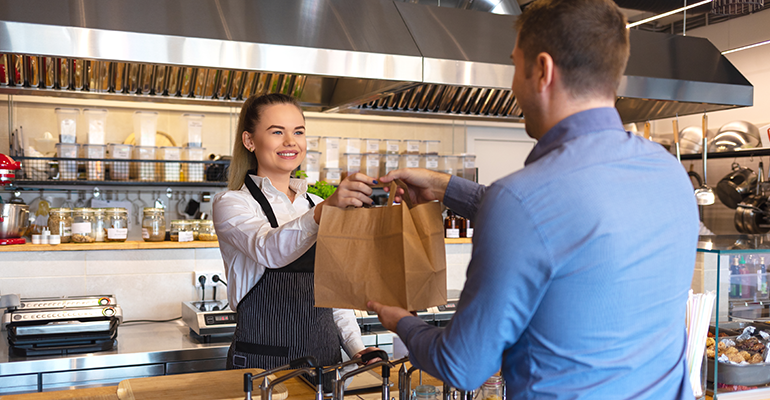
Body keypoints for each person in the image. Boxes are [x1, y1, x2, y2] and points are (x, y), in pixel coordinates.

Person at [369, 1, 699, 398]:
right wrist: (445, 187)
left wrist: (401, 321)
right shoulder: (669, 173)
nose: (512, 86)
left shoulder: (521, 199)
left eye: (514, 65)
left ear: (542, 71)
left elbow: (462, 365)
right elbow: (561, 223)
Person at [212, 93, 379, 382]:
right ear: (250, 141)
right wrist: (325, 212)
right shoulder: (231, 203)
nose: (291, 141)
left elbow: (333, 293)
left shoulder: (314, 203)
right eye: (277, 132)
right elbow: (270, 249)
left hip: (325, 363)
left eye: (298, 132)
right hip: (262, 366)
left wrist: (357, 348)